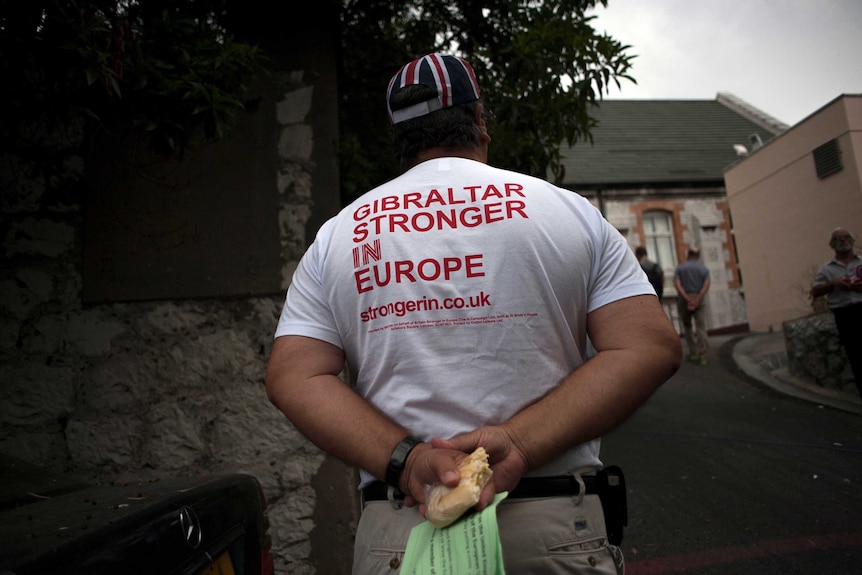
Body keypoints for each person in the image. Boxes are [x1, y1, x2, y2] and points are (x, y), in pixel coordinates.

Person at [265, 53, 681, 574]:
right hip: (551, 527)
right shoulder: (566, 212)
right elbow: (649, 346)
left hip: (403, 533)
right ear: (480, 122)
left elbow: (293, 375)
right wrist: (520, 444)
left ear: (400, 140)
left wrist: (409, 460)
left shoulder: (338, 237)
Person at [810, 227, 862, 397]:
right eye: (837, 239)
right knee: (855, 355)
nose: (842, 241)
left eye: (845, 237)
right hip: (844, 315)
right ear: (831, 245)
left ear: (853, 241)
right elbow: (815, 291)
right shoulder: (826, 269)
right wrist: (833, 284)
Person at [673, 246, 711, 365]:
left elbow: (677, 284)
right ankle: (703, 354)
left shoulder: (680, 268)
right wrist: (698, 298)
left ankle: (693, 352)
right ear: (698, 256)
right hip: (699, 297)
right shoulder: (703, 269)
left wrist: (686, 298)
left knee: (687, 326)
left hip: (685, 298)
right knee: (701, 326)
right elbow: (706, 284)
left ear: (688, 255)